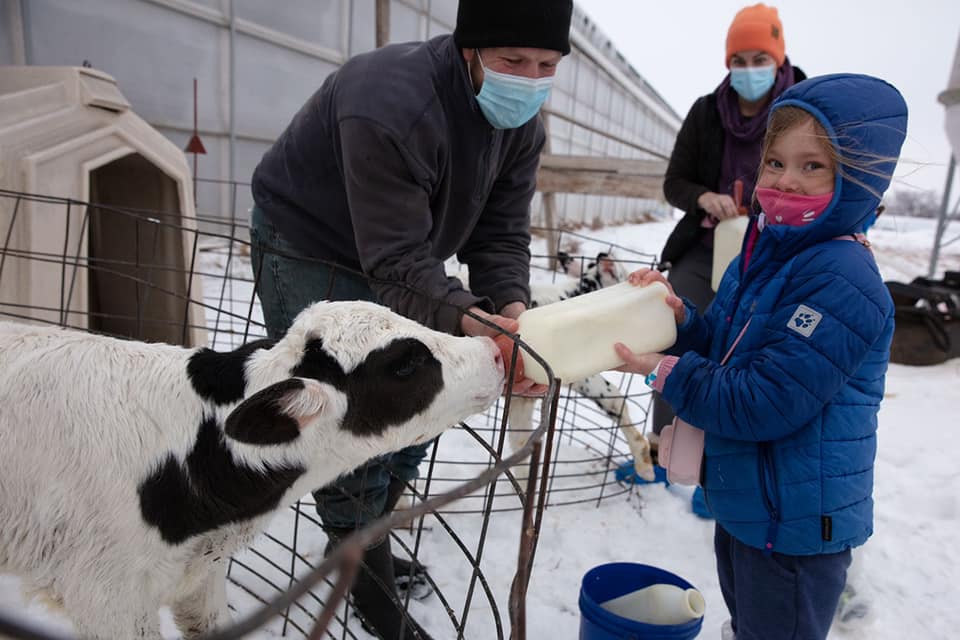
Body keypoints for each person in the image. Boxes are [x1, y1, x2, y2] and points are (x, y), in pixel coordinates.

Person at [248, 1, 572, 637]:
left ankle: (367, 539)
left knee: (420, 396)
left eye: (546, 65)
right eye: (513, 61)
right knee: (342, 409)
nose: (530, 80)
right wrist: (470, 321)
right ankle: (358, 567)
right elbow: (392, 262)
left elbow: (501, 236)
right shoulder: (390, 103)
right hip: (310, 242)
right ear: (469, 49)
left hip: (406, 254)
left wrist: (509, 311)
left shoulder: (521, 124)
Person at [612, 73, 907, 640]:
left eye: (812, 166)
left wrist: (663, 369)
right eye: (775, 162)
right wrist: (678, 323)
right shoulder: (767, 249)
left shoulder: (843, 279)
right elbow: (729, 351)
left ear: (859, 179)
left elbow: (766, 401)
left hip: (795, 528)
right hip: (754, 507)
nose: (786, 180)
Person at [650, 4, 807, 487]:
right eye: (740, 59)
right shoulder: (706, 113)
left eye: (761, 57)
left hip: (769, 251)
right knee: (672, 333)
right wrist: (704, 196)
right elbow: (674, 181)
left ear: (779, 59)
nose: (749, 69)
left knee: (737, 353)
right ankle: (663, 447)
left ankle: (717, 466)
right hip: (705, 243)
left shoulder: (801, 111)